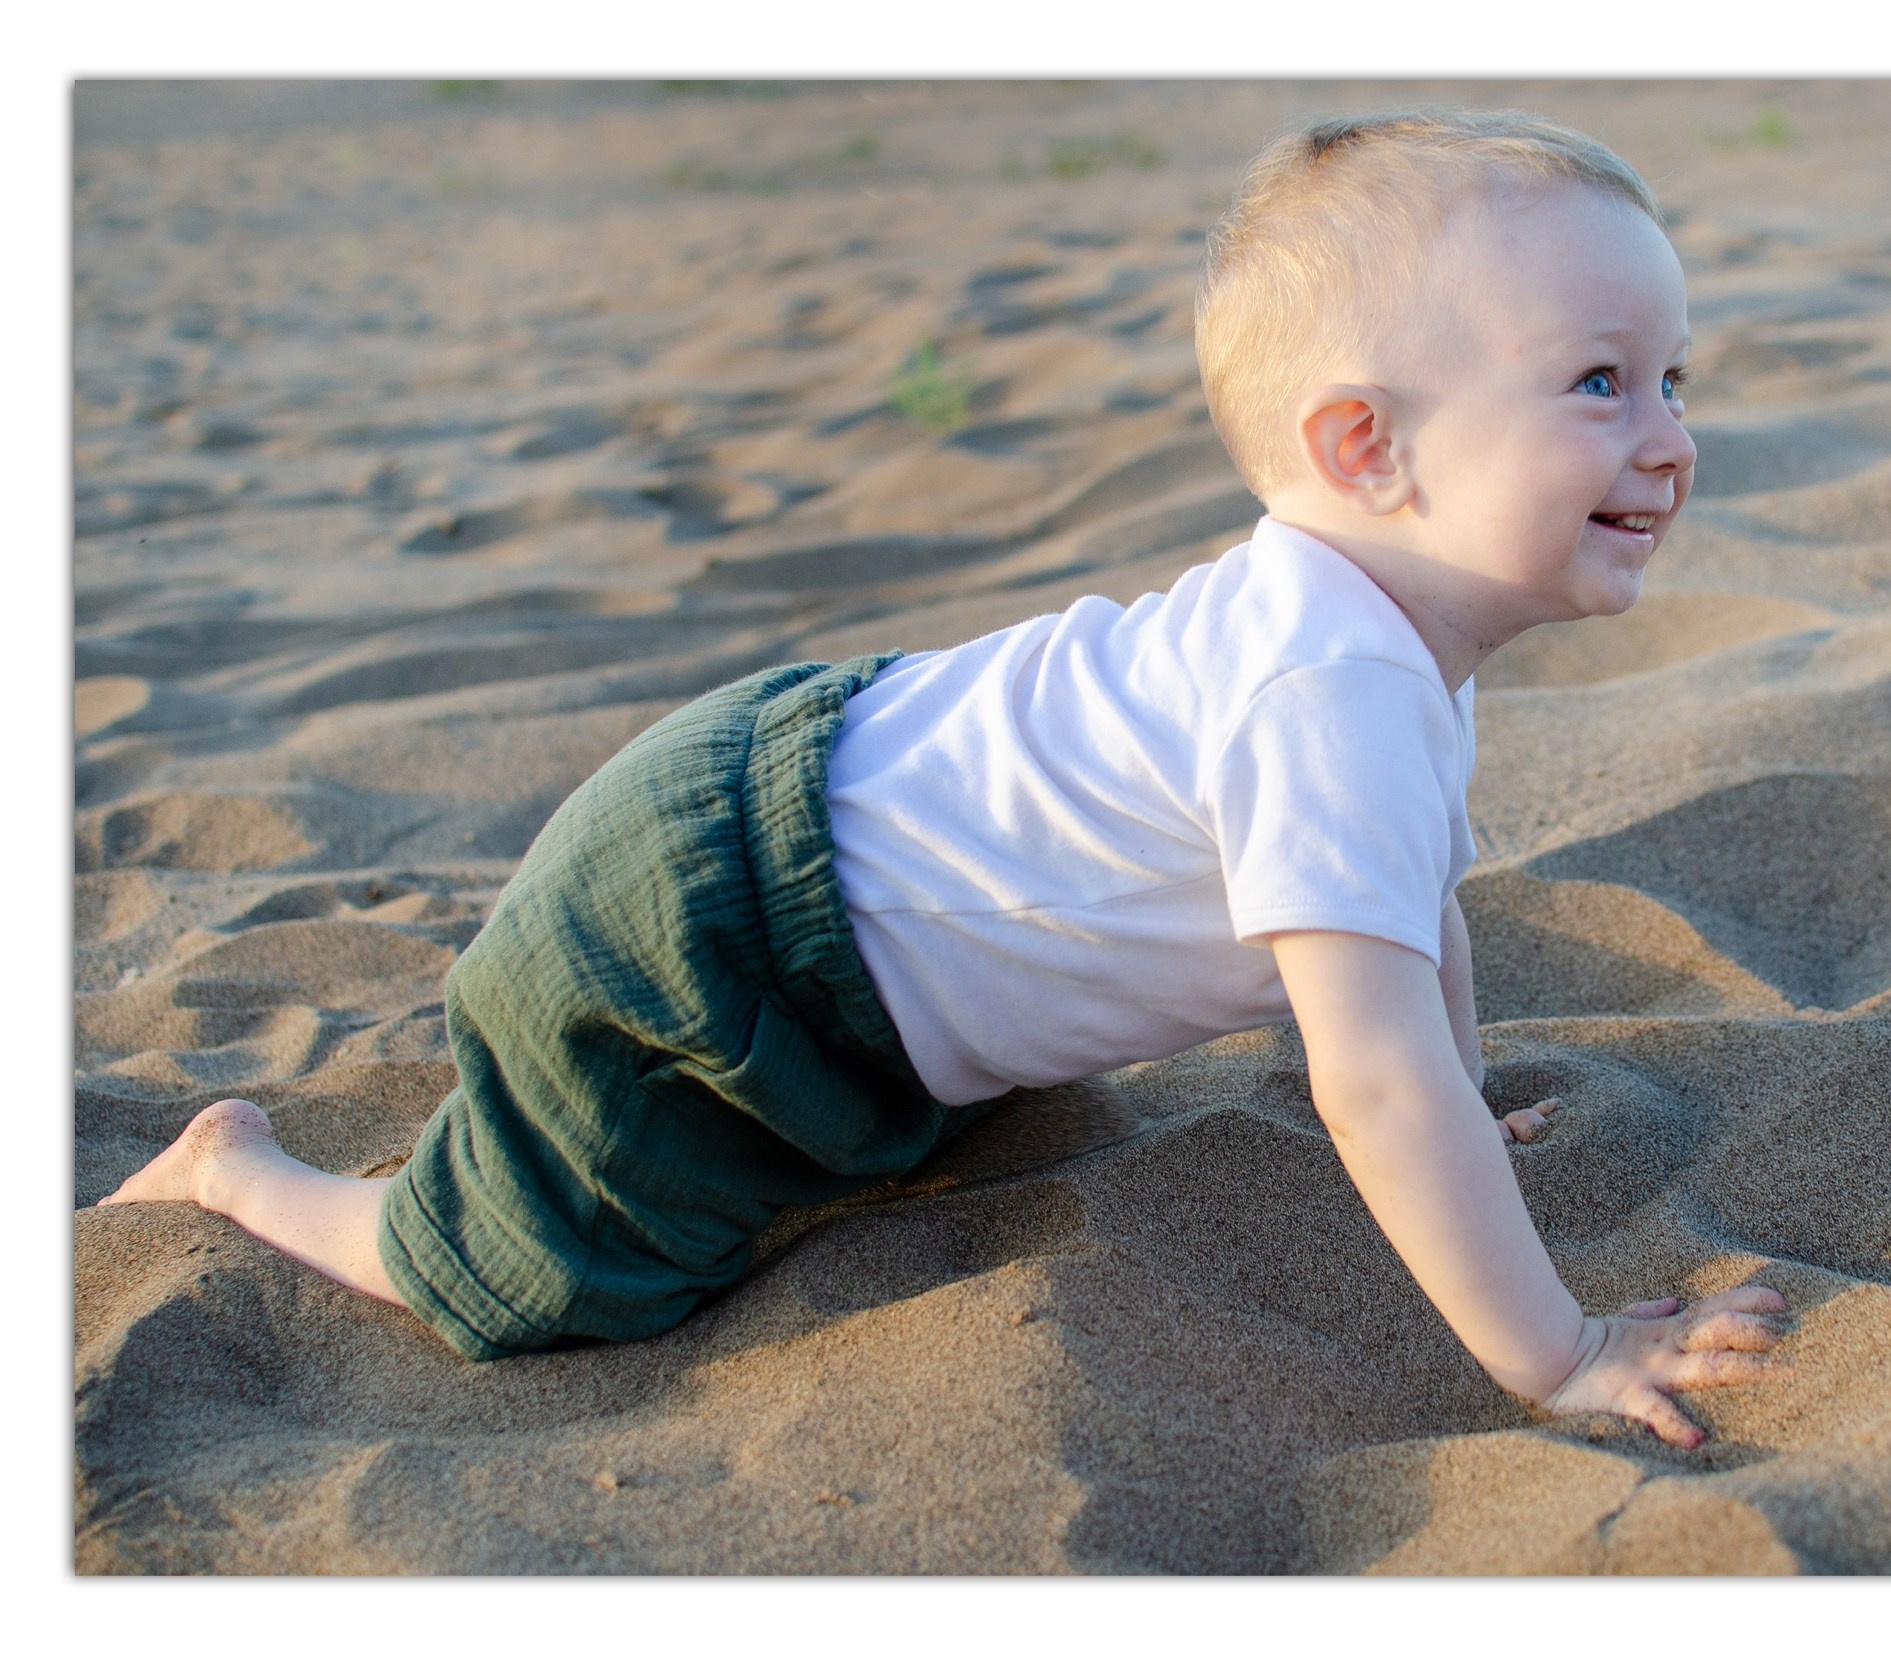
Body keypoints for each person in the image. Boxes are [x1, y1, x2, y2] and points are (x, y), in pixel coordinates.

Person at [102, 108, 1785, 1449]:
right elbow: (1372, 1086)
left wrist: (1474, 1094)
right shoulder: (1327, 686)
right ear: (1367, 447)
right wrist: (1553, 1352)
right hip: (731, 918)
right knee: (550, 1270)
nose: (1667, 435)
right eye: (1596, 382)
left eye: (1673, 377)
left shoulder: (1374, 640)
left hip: (828, 808)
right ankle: (245, 1170)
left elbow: (1409, 932)